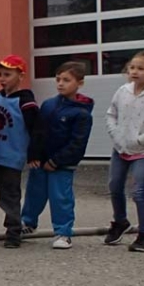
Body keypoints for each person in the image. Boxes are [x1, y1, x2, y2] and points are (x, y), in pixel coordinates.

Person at [22, 61, 94, 250]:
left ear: (80, 83)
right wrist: (34, 155)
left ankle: (63, 233)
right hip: (41, 162)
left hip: (61, 165)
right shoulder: (48, 105)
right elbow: (38, 132)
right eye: (58, 79)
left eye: (66, 80)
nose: (60, 83)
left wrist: (56, 161)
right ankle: (27, 224)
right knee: (34, 194)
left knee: (61, 198)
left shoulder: (82, 114)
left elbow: (78, 144)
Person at [0, 55, 38, 249]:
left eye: (7, 74)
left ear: (20, 75)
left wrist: (34, 154)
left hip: (11, 158)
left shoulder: (26, 102)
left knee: (9, 196)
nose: (2, 78)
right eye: (0, 74)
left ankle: (13, 232)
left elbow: (36, 130)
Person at [104, 50, 144, 252]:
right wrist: (115, 134)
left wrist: (141, 139)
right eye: (132, 67)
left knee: (139, 191)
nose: (135, 72)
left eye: (141, 68)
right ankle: (120, 221)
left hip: (141, 151)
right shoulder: (122, 91)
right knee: (114, 186)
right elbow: (111, 114)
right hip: (120, 148)